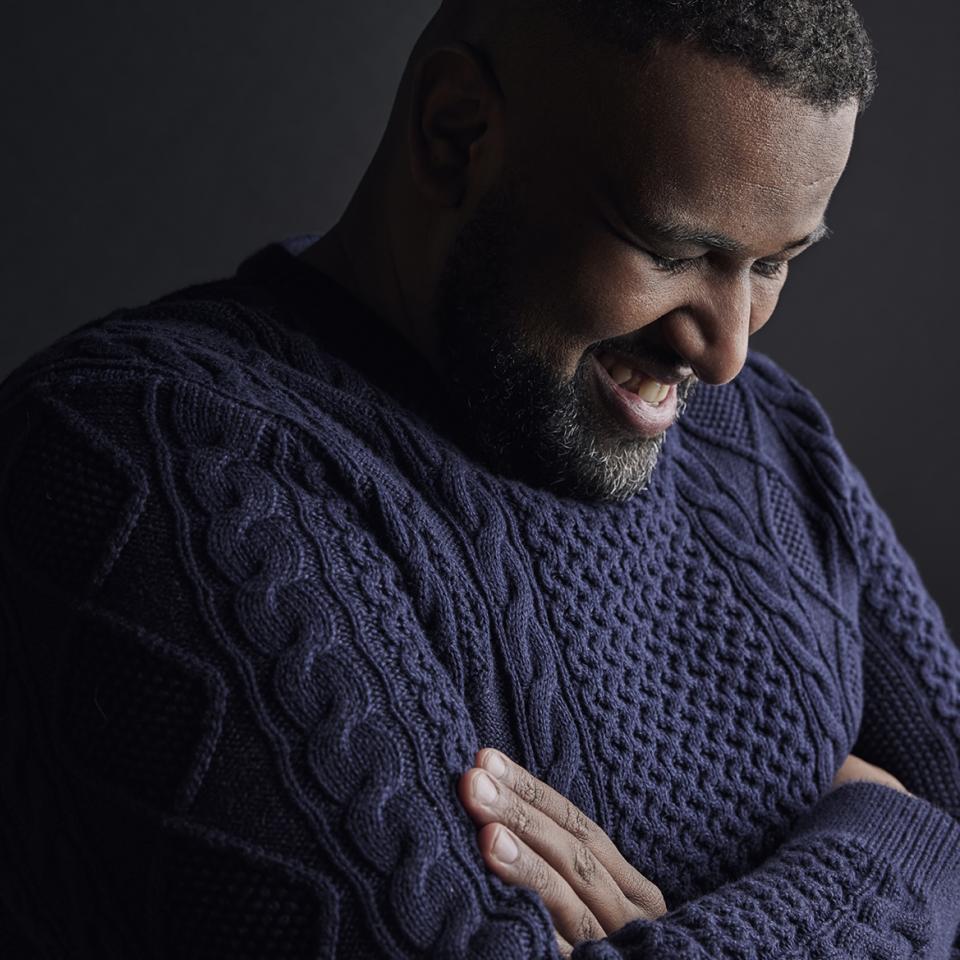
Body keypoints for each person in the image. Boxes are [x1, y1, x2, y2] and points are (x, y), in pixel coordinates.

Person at [1, 0, 958, 957]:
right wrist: (897, 845)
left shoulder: (759, 432)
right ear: (456, 133)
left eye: (772, 266)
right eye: (673, 251)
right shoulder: (150, 457)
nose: (724, 353)